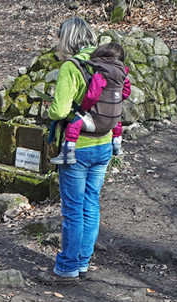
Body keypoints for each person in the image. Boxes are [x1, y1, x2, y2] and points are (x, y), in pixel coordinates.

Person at [42, 17, 114, 283]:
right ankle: (82, 261)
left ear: (67, 39)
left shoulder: (71, 67)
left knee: (72, 208)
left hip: (77, 148)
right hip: (104, 143)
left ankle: (67, 267)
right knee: (91, 204)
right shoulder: (105, 64)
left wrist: (50, 107)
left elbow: (60, 110)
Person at [50, 42, 130, 165]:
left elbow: (92, 95)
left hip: (83, 146)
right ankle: (117, 145)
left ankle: (68, 152)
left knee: (75, 122)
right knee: (117, 123)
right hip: (105, 142)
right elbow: (126, 92)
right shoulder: (122, 75)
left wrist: (84, 108)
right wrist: (114, 101)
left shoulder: (98, 74)